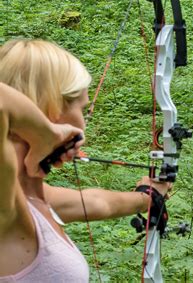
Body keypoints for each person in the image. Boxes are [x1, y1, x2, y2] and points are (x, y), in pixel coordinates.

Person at [0, 39, 171, 282]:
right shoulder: (7, 208)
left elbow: (98, 202)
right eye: (81, 109)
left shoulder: (34, 197)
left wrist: (148, 196)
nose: (82, 125)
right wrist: (46, 134)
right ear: (48, 108)